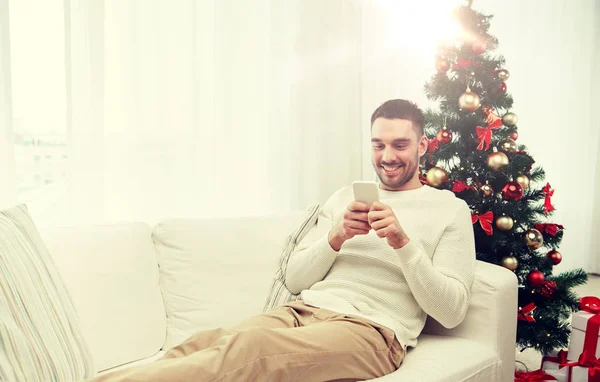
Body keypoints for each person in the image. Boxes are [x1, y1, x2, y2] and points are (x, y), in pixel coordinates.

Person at [91, 99, 476, 382]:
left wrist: (402, 243)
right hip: (303, 311)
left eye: (399, 145)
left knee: (250, 352)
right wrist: (336, 236)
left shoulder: (448, 209)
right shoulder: (345, 197)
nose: (387, 156)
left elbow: (452, 309)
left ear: (422, 147)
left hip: (371, 331)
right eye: (378, 145)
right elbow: (294, 280)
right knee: (211, 341)